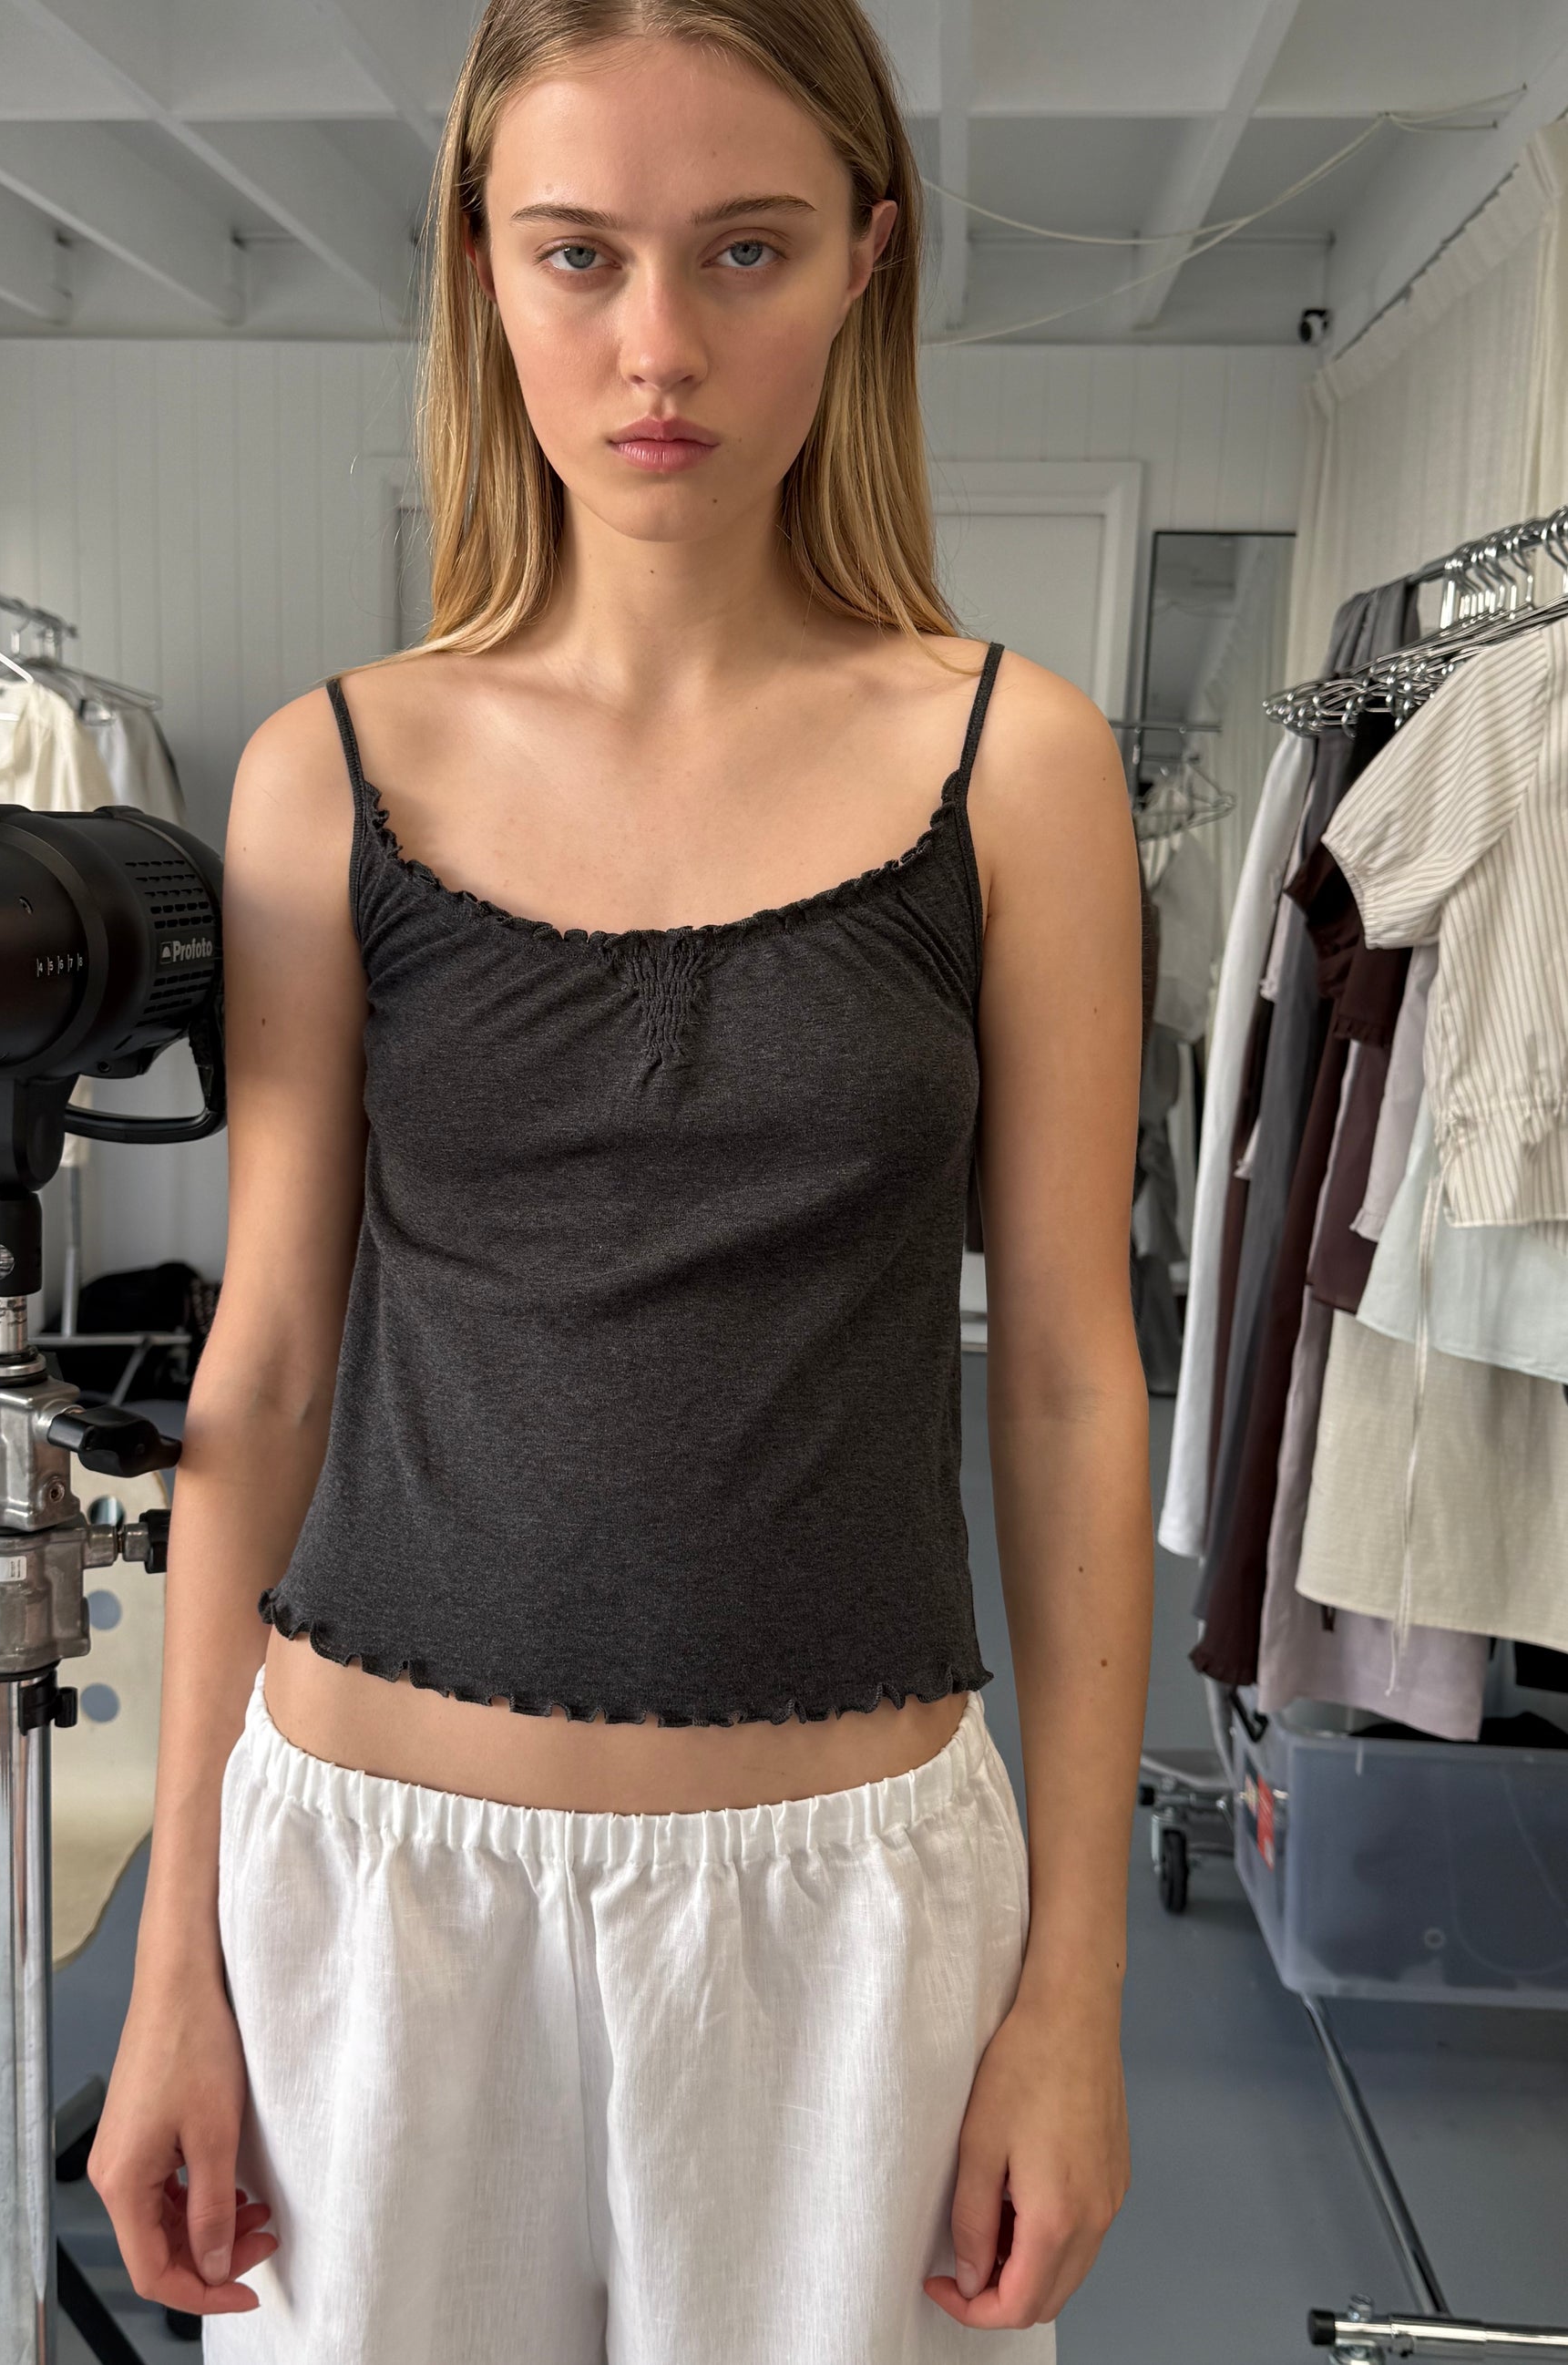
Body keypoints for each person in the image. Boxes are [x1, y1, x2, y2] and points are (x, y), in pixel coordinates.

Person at [88, 2, 1153, 2357]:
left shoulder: (1010, 768)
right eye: (578, 254)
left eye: (743, 249)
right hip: (376, 1890)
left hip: (845, 1920)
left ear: (866, 260)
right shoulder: (325, 775)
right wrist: (181, 1956)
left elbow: (1071, 1389)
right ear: (481, 265)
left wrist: (1070, 1990)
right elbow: (258, 1373)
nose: (656, 343)